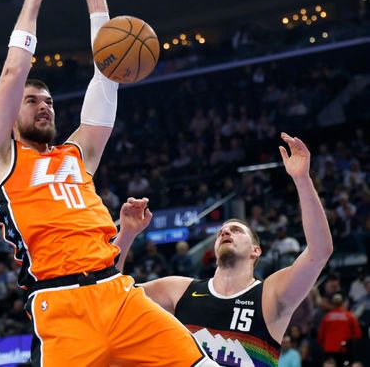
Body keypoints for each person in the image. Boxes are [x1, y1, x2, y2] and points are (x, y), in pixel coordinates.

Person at [0, 0, 216, 366]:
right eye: (31, 101)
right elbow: (13, 72)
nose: (44, 106)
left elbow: (107, 77)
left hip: (118, 294)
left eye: (49, 101)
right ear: (12, 115)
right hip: (61, 304)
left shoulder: (76, 154)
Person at [124, 133, 333, 367]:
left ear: (256, 251)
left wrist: (302, 179)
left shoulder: (270, 294)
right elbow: (113, 294)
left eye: (236, 230)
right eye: (221, 231)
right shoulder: (179, 290)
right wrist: (127, 234)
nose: (225, 232)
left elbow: (320, 251)